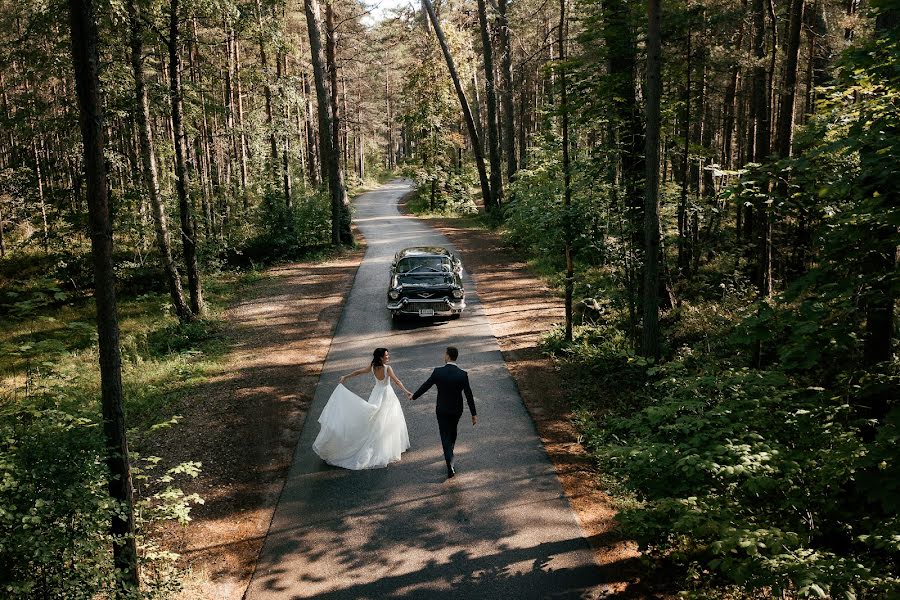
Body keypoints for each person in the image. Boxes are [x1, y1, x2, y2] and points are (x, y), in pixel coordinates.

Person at [312, 348, 411, 469]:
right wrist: (406, 392)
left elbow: (360, 372)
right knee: (388, 419)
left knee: (375, 419)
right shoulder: (387, 368)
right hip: (387, 395)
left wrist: (346, 376)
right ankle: (385, 446)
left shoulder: (373, 365)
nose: (388, 357)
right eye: (386, 355)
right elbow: (397, 381)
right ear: (380, 357)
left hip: (376, 393)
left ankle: (380, 443)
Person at [411, 346, 476, 479]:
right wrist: (473, 414)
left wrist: (414, 396)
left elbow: (426, 385)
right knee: (453, 431)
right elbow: (469, 395)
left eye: (444, 354)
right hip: (457, 410)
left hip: (442, 409)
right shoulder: (462, 374)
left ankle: (449, 463)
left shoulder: (438, 372)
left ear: (447, 356)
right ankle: (450, 452)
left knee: (444, 435)